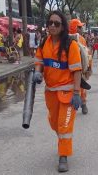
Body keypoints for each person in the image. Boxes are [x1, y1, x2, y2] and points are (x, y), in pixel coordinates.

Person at [33, 10, 82, 173]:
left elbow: (77, 71)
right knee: (55, 123)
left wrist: (77, 93)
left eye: (57, 23)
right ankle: (63, 145)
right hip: (51, 92)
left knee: (64, 126)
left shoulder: (70, 45)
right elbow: (39, 61)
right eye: (50, 23)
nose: (52, 26)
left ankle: (63, 156)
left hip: (68, 93)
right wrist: (38, 72)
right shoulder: (43, 44)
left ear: (62, 27)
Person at [69, 18, 90, 114]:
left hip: (80, 69)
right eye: (79, 27)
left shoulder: (82, 39)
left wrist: (88, 68)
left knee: (82, 88)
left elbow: (86, 54)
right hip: (69, 69)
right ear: (75, 28)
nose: (81, 29)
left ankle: (84, 104)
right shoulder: (65, 38)